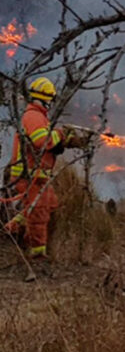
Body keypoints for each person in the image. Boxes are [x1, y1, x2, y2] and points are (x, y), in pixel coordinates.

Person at [4, 77, 69, 279]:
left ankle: (10, 229)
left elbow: (47, 142)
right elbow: (42, 141)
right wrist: (61, 134)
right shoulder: (33, 116)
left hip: (38, 176)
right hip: (30, 176)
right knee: (39, 214)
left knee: (48, 205)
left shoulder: (38, 116)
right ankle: (37, 257)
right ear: (46, 99)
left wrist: (65, 139)